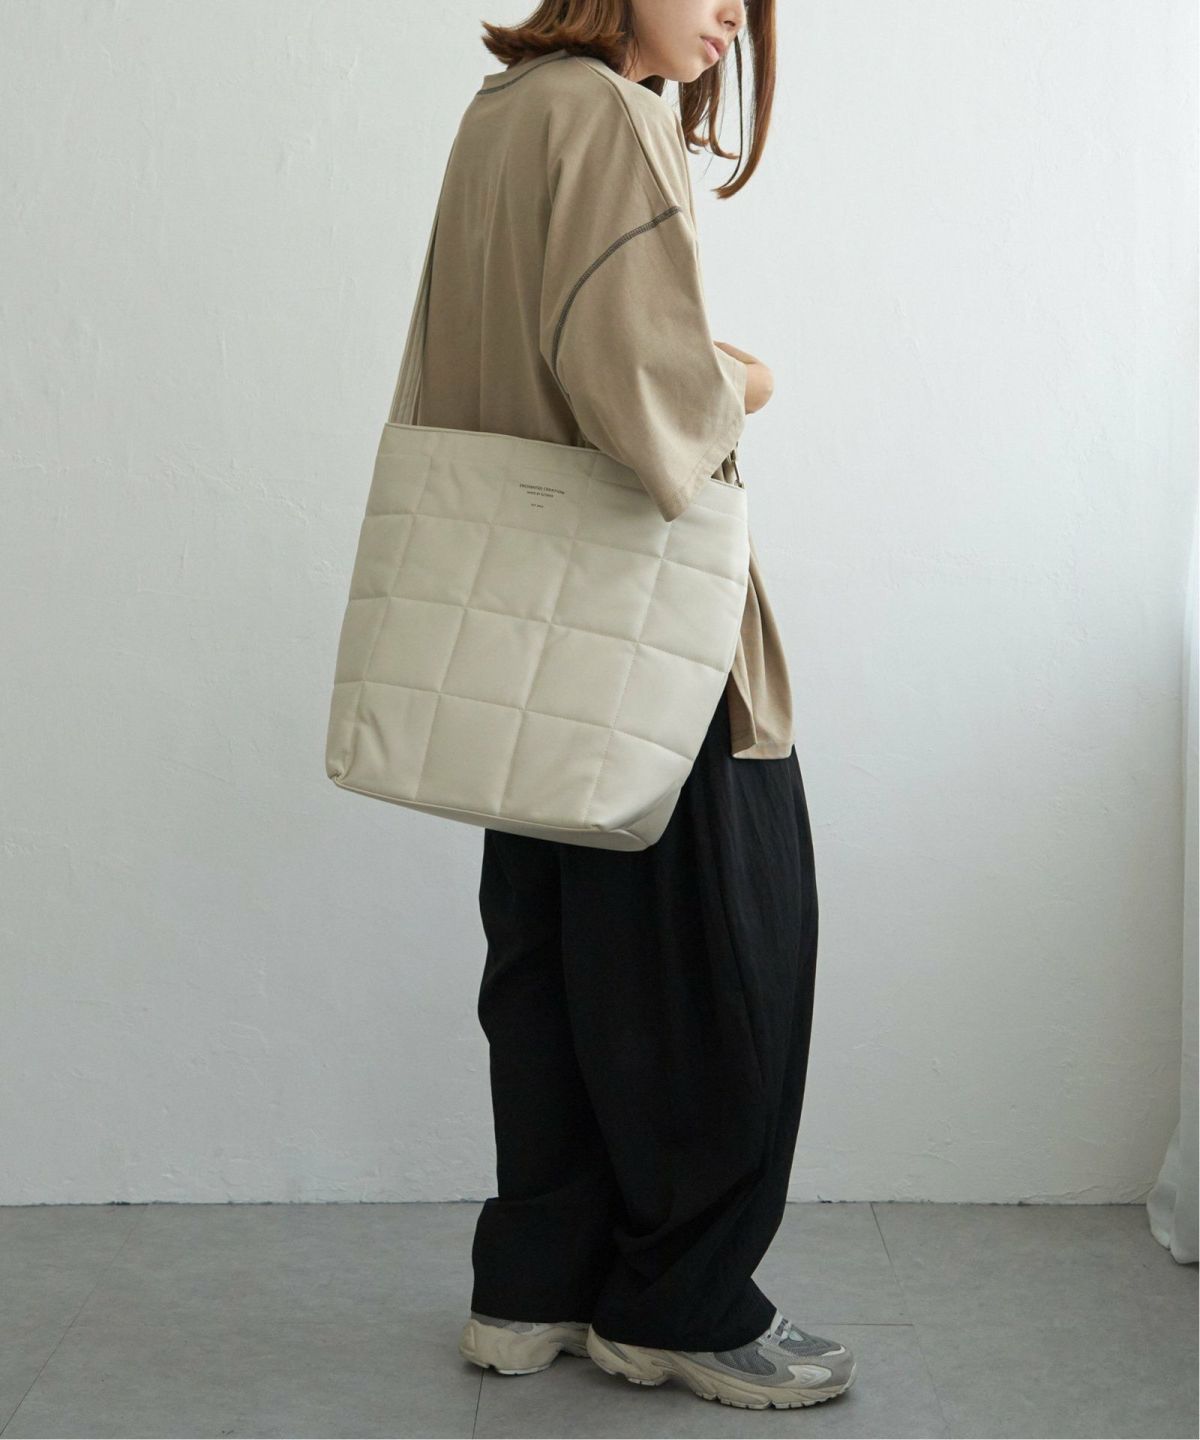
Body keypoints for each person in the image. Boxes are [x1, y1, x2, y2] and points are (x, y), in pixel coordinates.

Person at [415, 0, 856, 1411]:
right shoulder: (609, 115)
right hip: (643, 626)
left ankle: (535, 1285)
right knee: (727, 959)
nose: (732, 12)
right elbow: (645, 394)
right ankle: (681, 1304)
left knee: (551, 961)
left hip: (528, 631)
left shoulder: (505, 112)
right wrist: (750, 379)